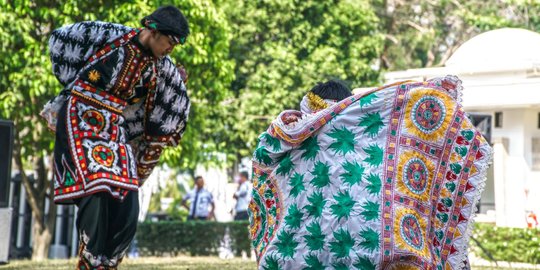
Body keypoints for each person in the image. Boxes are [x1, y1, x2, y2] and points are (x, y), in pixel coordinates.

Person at [249, 77, 492, 269]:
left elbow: (264, 165)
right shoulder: (378, 143)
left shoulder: (292, 143)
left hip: (299, 257)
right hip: (373, 255)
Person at [40, 5, 191, 269]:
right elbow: (63, 40)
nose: (171, 50)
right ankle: (90, 258)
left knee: (127, 198)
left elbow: (171, 98)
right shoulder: (110, 35)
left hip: (113, 127)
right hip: (80, 115)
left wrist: (177, 80)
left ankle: (108, 262)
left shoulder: (160, 67)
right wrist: (68, 86)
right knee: (98, 186)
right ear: (154, 31)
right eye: (170, 42)